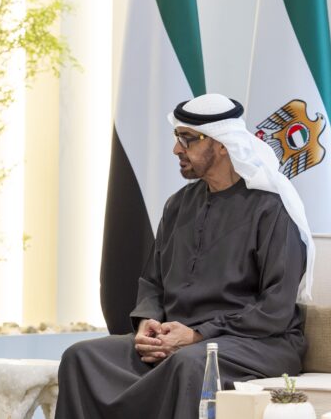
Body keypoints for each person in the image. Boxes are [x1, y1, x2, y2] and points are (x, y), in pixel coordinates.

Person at [56, 93, 315, 418]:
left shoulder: (271, 208)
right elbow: (153, 282)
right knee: (81, 357)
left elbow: (275, 309)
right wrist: (149, 323)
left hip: (258, 342)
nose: (177, 149)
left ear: (222, 144)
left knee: (190, 364)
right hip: (181, 338)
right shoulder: (178, 204)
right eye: (177, 138)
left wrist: (198, 334)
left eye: (188, 139)